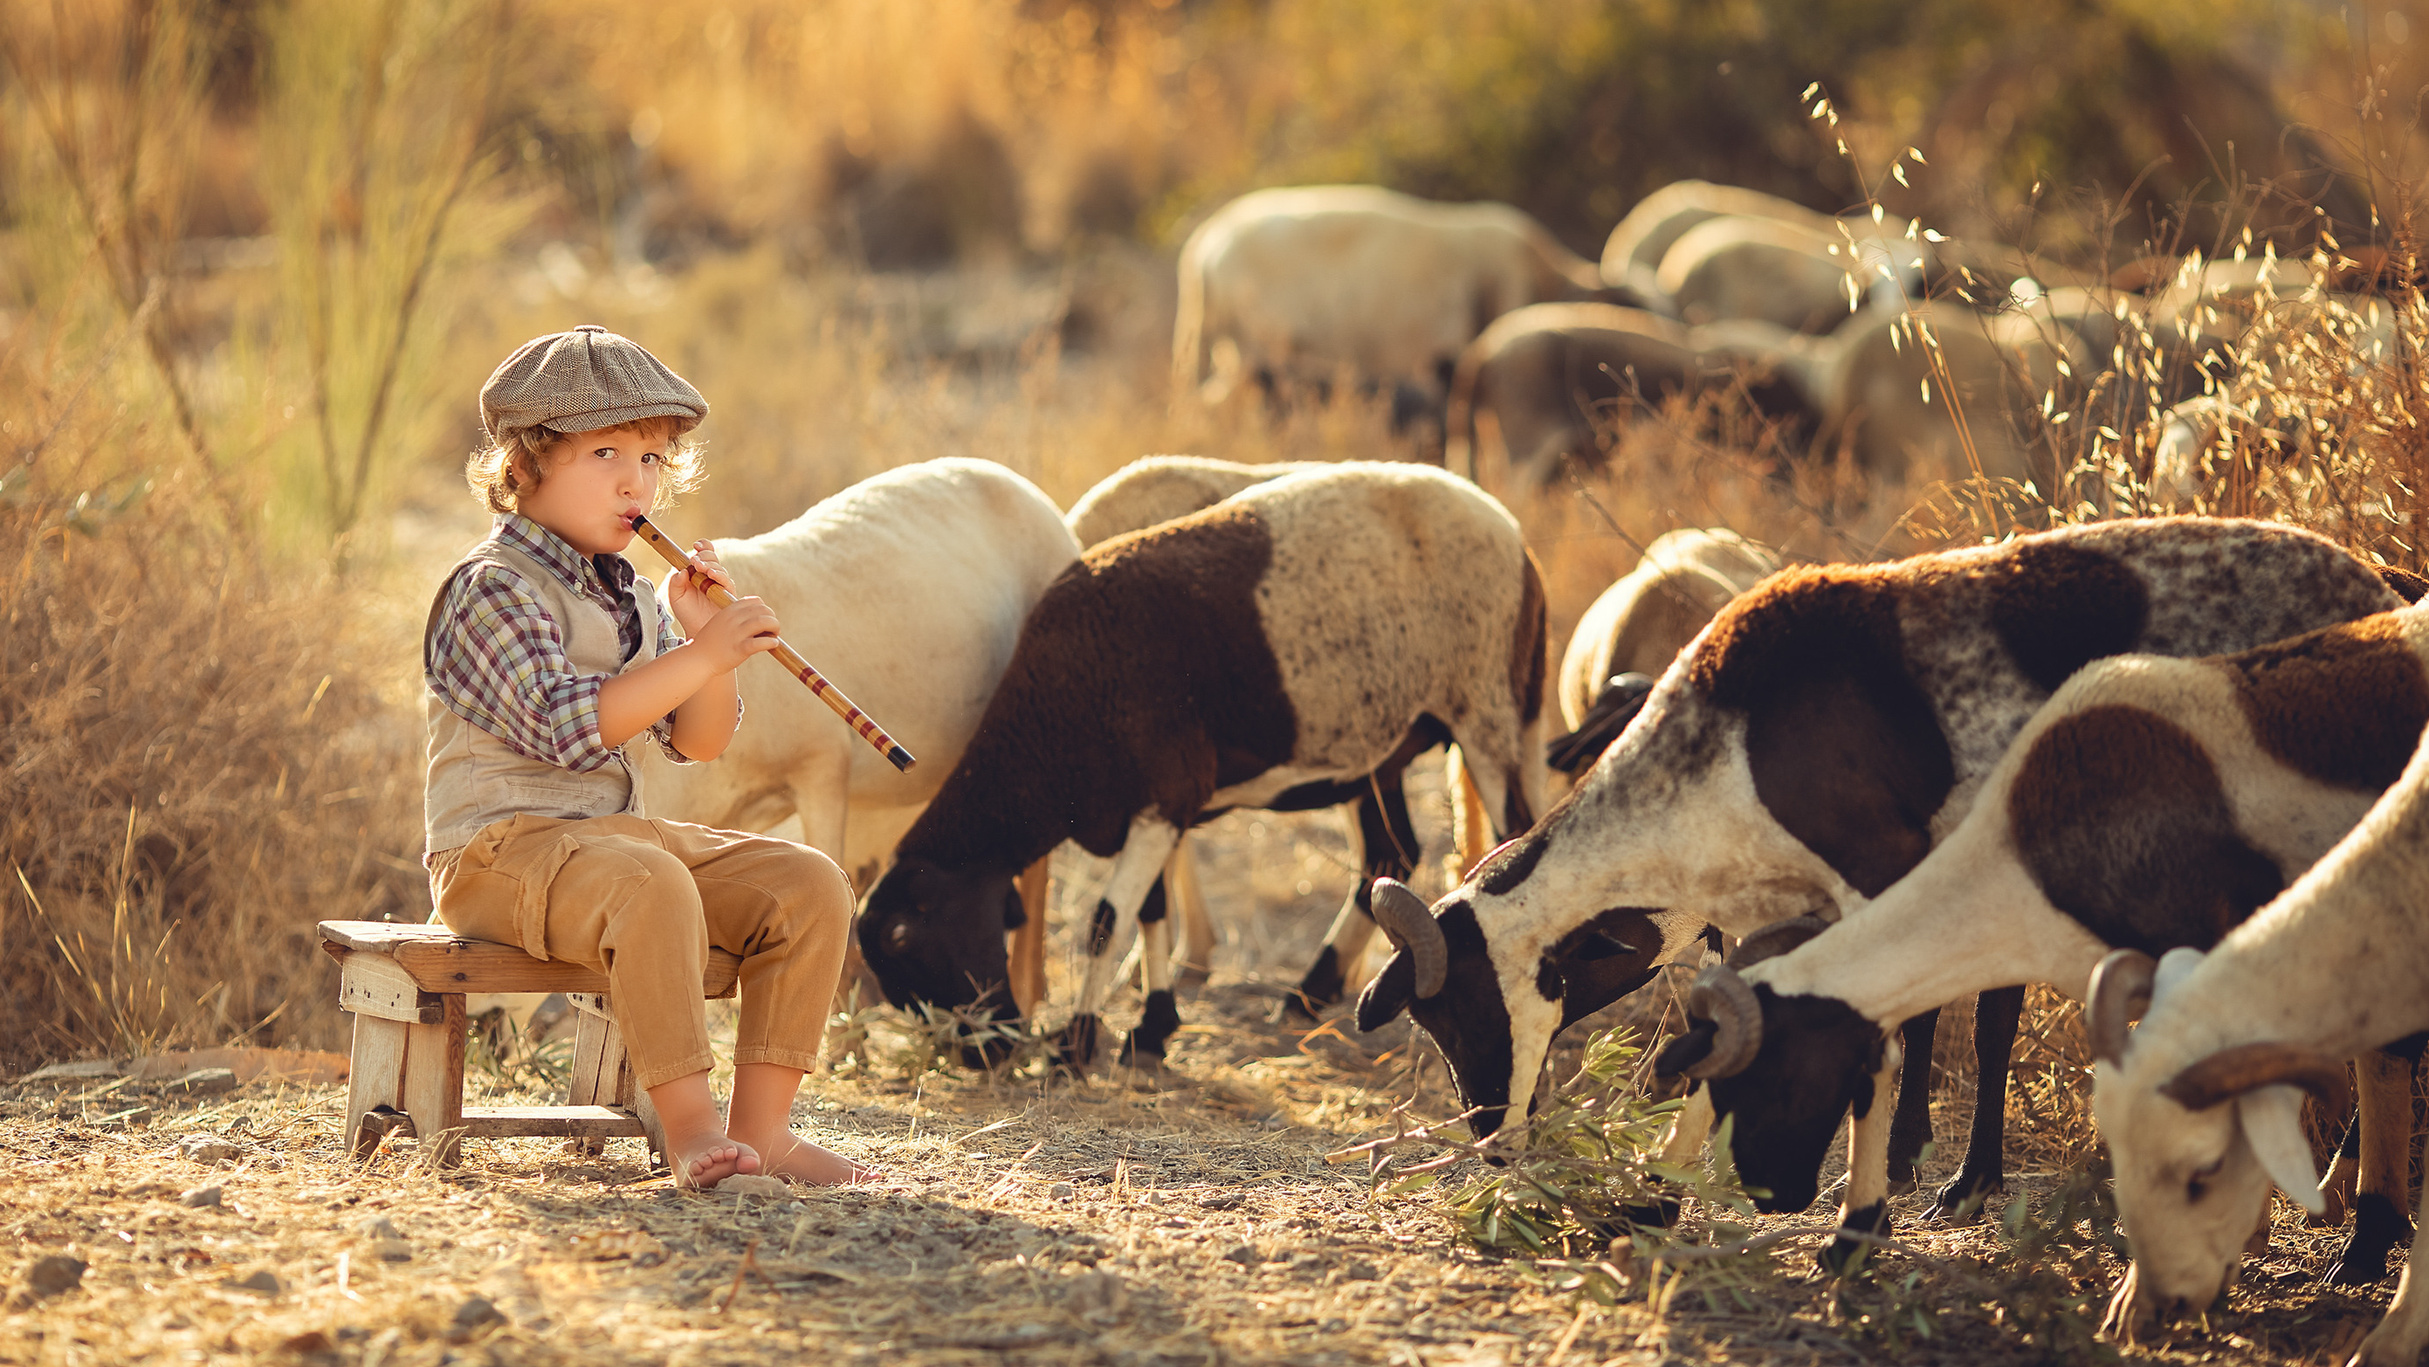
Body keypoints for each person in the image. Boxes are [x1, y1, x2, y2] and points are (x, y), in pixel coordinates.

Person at [422, 324, 873, 1189]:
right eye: (605, 453)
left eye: (653, 459)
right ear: (524, 466)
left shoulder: (629, 590)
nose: (637, 481)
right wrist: (698, 657)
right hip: (496, 854)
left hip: (611, 844)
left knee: (810, 882)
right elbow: (564, 726)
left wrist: (705, 641)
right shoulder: (492, 586)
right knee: (649, 880)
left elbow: (698, 741)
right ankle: (692, 1131)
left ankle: (765, 1132)